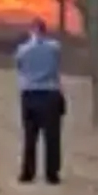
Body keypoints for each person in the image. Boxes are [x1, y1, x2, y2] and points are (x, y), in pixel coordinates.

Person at [14, 17, 66, 185]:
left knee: (30, 136)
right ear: (45, 30)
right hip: (50, 94)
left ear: (31, 30)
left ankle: (28, 173)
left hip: (29, 95)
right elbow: (58, 64)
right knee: (52, 137)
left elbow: (20, 67)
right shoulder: (54, 48)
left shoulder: (22, 50)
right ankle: (52, 174)